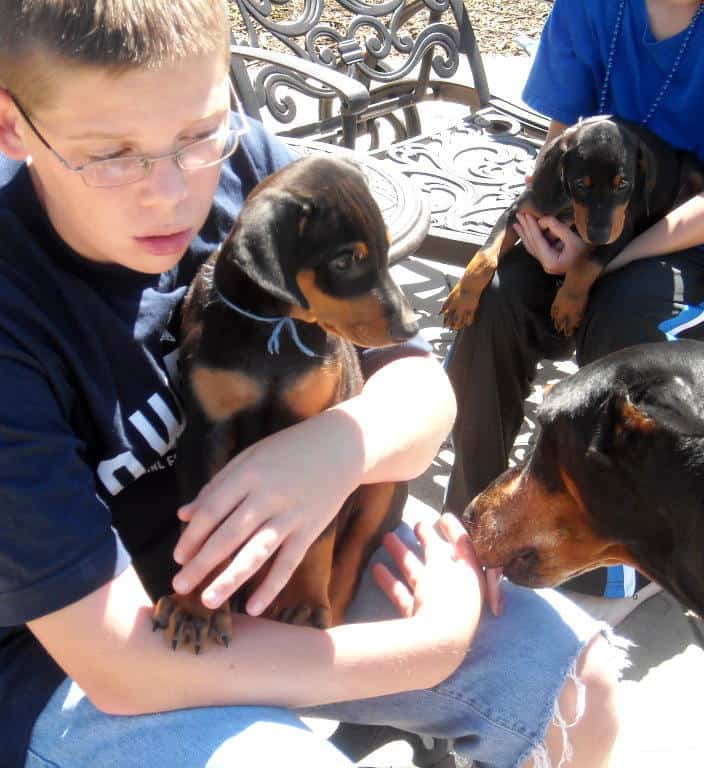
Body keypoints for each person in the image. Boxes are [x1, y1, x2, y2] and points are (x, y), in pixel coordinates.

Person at [0, 2, 624, 767]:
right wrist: (423, 649)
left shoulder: (252, 177)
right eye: (111, 156)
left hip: (289, 560)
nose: (168, 192)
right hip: (78, 655)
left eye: (198, 133)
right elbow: (121, 668)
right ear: (10, 127)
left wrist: (337, 449)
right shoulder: (14, 319)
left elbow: (424, 397)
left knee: (577, 682)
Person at [445, 0, 704, 606]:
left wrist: (598, 262)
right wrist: (545, 234)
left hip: (682, 237)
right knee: (496, 304)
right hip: (590, 218)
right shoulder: (592, 8)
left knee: (626, 321)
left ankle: (608, 549)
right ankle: (472, 519)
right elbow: (559, 147)